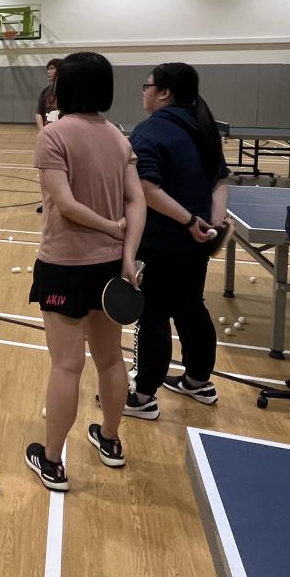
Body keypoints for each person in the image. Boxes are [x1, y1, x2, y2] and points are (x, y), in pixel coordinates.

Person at [26, 52, 146, 492]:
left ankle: (53, 462)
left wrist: (109, 228)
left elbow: (66, 204)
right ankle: (110, 440)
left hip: (64, 266)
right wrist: (127, 254)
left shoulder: (53, 135)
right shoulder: (118, 137)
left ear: (64, 89)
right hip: (110, 267)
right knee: (111, 359)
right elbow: (137, 201)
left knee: (67, 366)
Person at [123, 63, 229, 420]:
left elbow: (147, 187)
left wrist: (188, 221)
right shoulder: (204, 127)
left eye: (147, 86)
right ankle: (198, 381)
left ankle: (142, 396)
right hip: (196, 244)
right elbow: (220, 181)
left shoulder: (149, 131)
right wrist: (212, 223)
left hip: (160, 241)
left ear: (164, 92)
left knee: (152, 315)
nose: (144, 92)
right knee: (190, 306)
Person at [34, 59, 64, 213]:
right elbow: (39, 113)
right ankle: (46, 203)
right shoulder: (45, 92)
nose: (48, 71)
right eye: (47, 68)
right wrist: (43, 131)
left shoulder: (68, 91)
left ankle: (61, 203)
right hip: (47, 137)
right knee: (44, 172)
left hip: (63, 138)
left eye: (51, 68)